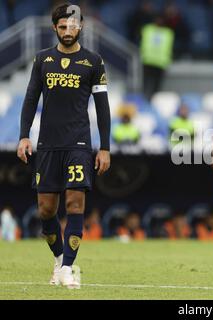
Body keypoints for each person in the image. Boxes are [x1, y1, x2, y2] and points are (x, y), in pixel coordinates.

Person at [16, 3, 111, 289]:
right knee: (46, 210)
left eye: (72, 26)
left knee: (74, 204)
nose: (67, 31)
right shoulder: (42, 60)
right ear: (54, 28)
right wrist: (23, 136)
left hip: (79, 144)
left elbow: (103, 107)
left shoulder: (93, 62)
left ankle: (69, 267)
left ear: (80, 27)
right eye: (62, 27)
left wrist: (104, 146)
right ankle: (59, 259)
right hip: (47, 144)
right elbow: (31, 98)